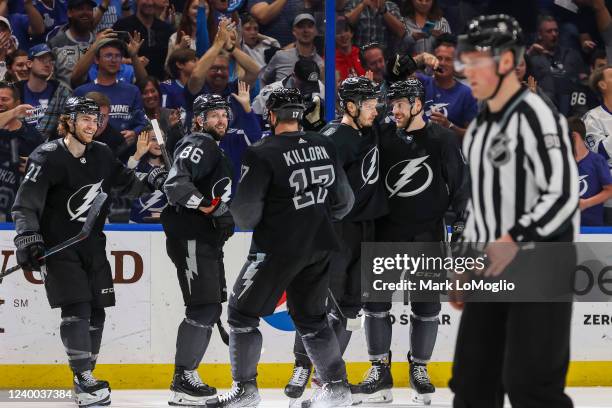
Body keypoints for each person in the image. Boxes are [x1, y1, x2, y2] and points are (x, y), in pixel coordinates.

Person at [450, 14, 579, 407]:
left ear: (506, 62)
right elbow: (481, 206)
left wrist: (512, 239)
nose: (465, 70)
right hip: (493, 261)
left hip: (542, 260)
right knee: (472, 381)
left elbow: (562, 194)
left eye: (476, 61)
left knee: (531, 385)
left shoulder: (538, 116)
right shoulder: (481, 128)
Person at [11, 96, 167, 407]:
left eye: (94, 119)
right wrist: (27, 237)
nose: (91, 125)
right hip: (59, 247)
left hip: (92, 245)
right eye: (84, 118)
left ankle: (86, 376)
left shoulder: (102, 153)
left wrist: (152, 179)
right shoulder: (47, 156)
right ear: (67, 121)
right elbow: (25, 203)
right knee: (77, 309)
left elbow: (126, 185)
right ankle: (83, 377)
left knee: (96, 310)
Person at [206, 88, 354, 407]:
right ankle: (337, 388)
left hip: (277, 247)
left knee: (241, 314)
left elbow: (246, 212)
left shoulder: (261, 152)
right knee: (312, 318)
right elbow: (344, 202)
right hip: (321, 242)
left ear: (271, 116)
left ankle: (246, 391)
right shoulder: (324, 144)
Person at [352, 78, 468, 406]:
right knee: (375, 306)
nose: (395, 109)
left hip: (427, 237)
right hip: (385, 234)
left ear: (418, 104)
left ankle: (419, 369)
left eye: (402, 104)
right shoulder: (382, 135)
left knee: (427, 308)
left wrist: (460, 225)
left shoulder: (442, 139)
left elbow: (461, 186)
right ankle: (380, 371)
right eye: (393, 103)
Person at [282, 76, 387, 403]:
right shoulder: (333, 139)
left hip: (364, 230)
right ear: (351, 107)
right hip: (335, 231)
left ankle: (327, 381)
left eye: (375, 104)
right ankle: (303, 365)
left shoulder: (365, 131)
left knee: (349, 309)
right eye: (369, 105)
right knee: (323, 306)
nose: (375, 111)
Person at [161, 94, 235, 406]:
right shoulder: (200, 143)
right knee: (203, 308)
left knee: (210, 307)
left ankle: (187, 375)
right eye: (213, 115)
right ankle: (183, 379)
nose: (221, 120)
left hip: (203, 240)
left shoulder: (211, 147)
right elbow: (176, 185)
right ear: (199, 119)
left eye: (224, 114)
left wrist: (220, 214)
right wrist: (208, 208)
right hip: (191, 237)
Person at [74, 38, 147, 153]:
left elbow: (142, 122)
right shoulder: (81, 92)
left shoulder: (132, 91)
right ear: (97, 60)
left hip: (125, 155)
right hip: (88, 153)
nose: (113, 60)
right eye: (108, 56)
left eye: (117, 56)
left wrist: (135, 133)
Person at [416, 34, 478, 139]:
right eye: (439, 58)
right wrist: (421, 58)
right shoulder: (422, 82)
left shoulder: (466, 94)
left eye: (448, 59)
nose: (442, 63)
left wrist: (449, 126)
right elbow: (395, 71)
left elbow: (473, 136)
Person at [0, 82, 44, 221]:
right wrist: (13, 112)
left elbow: (47, 173)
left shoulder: (32, 136)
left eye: (4, 99)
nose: (0, 103)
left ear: (17, 103)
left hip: (19, 213)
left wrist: (33, 167)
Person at [14, 44, 73, 140]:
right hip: (18, 148)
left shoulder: (62, 92)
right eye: (42, 60)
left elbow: (67, 127)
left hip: (49, 149)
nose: (47, 64)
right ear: (29, 63)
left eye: (50, 61)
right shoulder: (15, 90)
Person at [112, 0, 175, 79]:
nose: (150, 3)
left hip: (159, 85)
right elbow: (109, 55)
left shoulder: (167, 29)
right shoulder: (122, 25)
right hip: (129, 82)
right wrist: (130, 60)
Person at [569, 115, 612, 226]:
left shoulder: (597, 161)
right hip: (568, 227)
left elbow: (609, 190)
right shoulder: (563, 162)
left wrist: (586, 203)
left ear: (574, 136)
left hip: (593, 227)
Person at [260, 14, 323, 85]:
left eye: (310, 26)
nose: (305, 30)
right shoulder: (281, 56)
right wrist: (266, 95)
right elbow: (263, 80)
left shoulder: (320, 64)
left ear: (316, 31)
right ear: (294, 31)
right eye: (300, 26)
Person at [47, 0, 97, 87]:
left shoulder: (99, 42)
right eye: (80, 9)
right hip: (65, 98)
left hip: (95, 97)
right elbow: (49, 79)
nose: (85, 13)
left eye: (89, 9)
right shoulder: (55, 43)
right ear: (69, 13)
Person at [128, 129, 168, 222]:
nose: (159, 143)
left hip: (166, 227)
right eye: (154, 139)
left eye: (162, 139)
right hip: (136, 225)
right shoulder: (135, 165)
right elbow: (124, 177)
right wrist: (138, 154)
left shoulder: (173, 166)